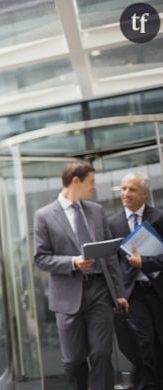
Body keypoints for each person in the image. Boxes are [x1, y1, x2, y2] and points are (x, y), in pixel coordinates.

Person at [33, 160, 128, 390]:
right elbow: (40, 258)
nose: (93, 187)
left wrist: (119, 293)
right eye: (91, 181)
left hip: (99, 292)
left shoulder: (95, 211)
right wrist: (73, 262)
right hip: (67, 296)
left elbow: (110, 256)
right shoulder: (44, 215)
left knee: (101, 353)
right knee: (74, 360)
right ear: (76, 181)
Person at [107, 171, 163, 389]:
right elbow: (110, 263)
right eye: (123, 189)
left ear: (145, 193)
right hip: (132, 294)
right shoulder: (112, 224)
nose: (126, 194)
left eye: (132, 189)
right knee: (143, 343)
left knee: (159, 341)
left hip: (158, 289)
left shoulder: (159, 218)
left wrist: (145, 262)